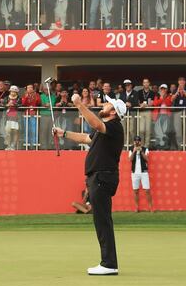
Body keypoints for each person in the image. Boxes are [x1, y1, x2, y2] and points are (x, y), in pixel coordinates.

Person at [53, 92, 127, 276]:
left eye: (108, 105)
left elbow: (95, 123)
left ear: (113, 112)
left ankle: (109, 264)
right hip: (98, 178)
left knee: (102, 221)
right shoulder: (105, 128)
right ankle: (109, 262)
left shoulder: (114, 126)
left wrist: (79, 104)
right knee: (101, 220)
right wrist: (64, 134)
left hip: (103, 177)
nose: (104, 105)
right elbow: (87, 137)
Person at [128, 135, 153, 212]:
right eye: (135, 141)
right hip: (135, 172)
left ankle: (150, 207)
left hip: (144, 172)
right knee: (135, 191)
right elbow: (130, 159)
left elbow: (147, 159)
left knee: (147, 190)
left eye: (138, 141)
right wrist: (135, 151)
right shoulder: (131, 149)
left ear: (140, 142)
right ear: (134, 142)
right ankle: (136, 207)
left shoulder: (145, 149)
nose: (137, 142)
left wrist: (141, 151)